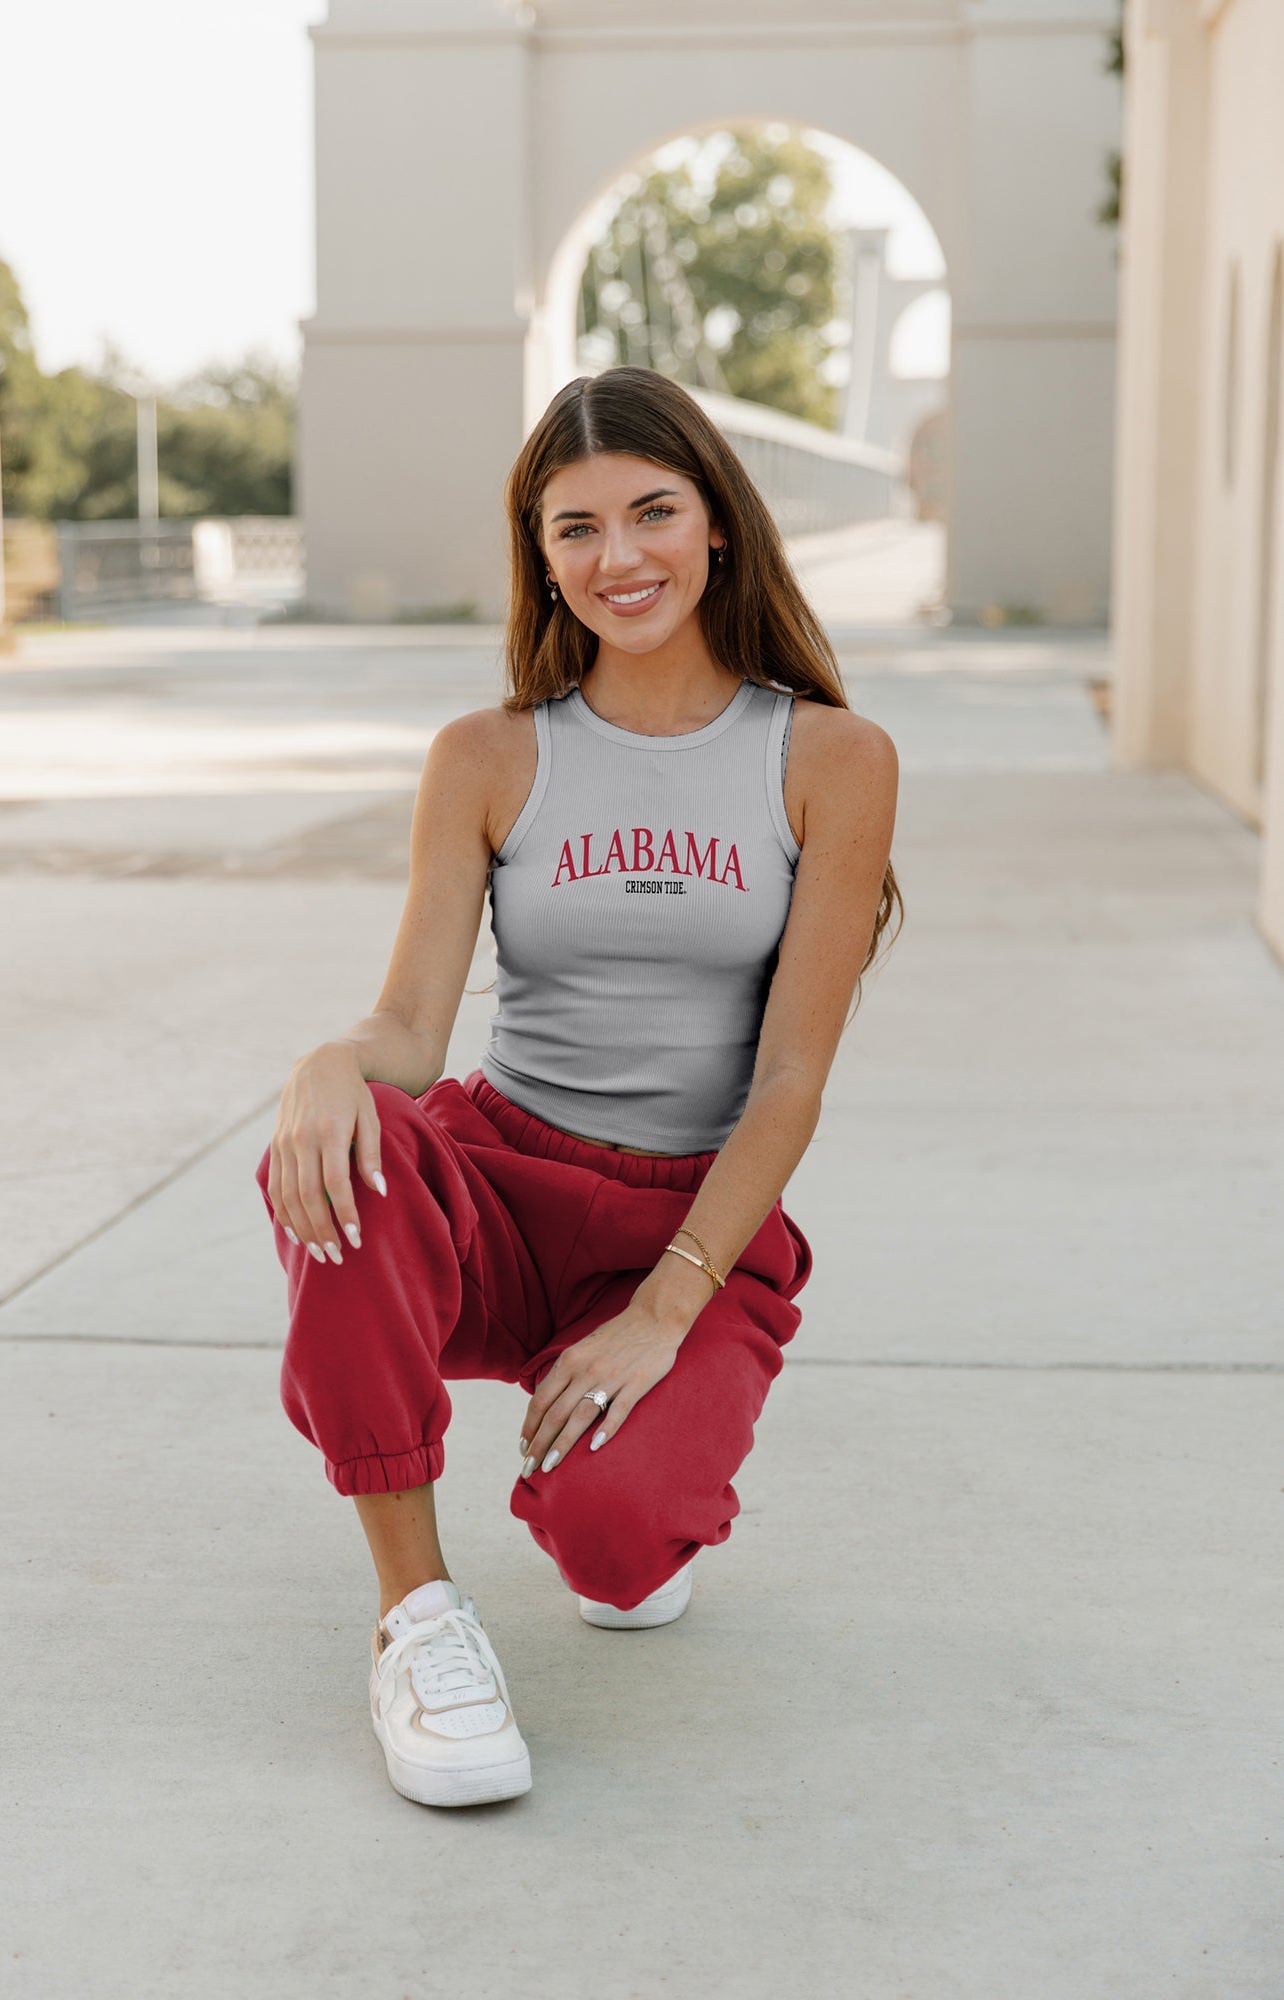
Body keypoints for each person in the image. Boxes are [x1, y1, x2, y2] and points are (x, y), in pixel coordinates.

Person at [254, 365, 902, 1809]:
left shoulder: (830, 759)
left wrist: (666, 1308)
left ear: (717, 525)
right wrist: (322, 1069)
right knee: (336, 1159)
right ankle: (416, 1620)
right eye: (576, 529)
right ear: (538, 558)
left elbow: (791, 1077)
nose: (621, 559)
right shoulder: (487, 756)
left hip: (686, 1223)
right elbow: (411, 1029)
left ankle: (623, 1511)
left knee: (616, 1547)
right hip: (498, 1177)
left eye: (653, 513)